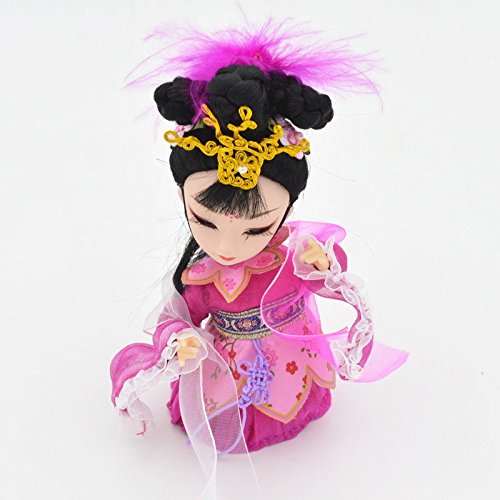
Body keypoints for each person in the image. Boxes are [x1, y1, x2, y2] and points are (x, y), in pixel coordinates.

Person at [109, 17, 408, 498]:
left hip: (291, 354)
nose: (227, 247)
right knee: (232, 405)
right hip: (227, 368)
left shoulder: (289, 257)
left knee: (292, 395)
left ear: (285, 211)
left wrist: (321, 264)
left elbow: (327, 279)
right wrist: (181, 340)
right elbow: (175, 319)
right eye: (204, 222)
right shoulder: (201, 277)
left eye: (255, 228)